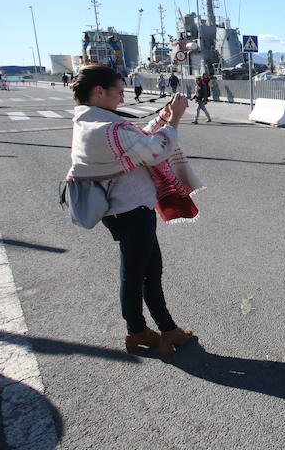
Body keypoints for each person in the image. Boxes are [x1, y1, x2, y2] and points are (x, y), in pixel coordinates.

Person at [66, 65, 202, 356]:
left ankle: (161, 329)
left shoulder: (91, 122)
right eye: (118, 91)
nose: (122, 96)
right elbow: (154, 149)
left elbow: (139, 140)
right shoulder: (106, 129)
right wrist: (174, 119)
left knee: (145, 271)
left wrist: (163, 117)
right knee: (139, 274)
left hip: (123, 211)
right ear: (99, 91)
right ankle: (142, 330)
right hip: (131, 211)